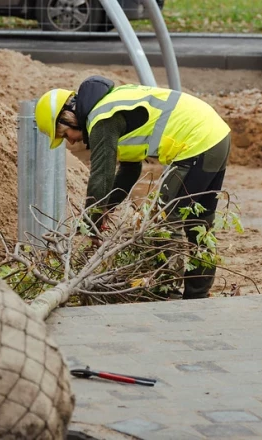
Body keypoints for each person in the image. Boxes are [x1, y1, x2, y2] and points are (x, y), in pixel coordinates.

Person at [34, 76, 231, 299]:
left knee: (164, 219)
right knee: (200, 222)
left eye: (64, 134)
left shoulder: (102, 118)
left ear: (68, 116)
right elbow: (129, 171)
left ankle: (169, 291)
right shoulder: (112, 105)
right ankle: (198, 294)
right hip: (215, 135)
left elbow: (101, 175)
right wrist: (108, 208)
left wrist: (92, 223)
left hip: (196, 142)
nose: (69, 142)